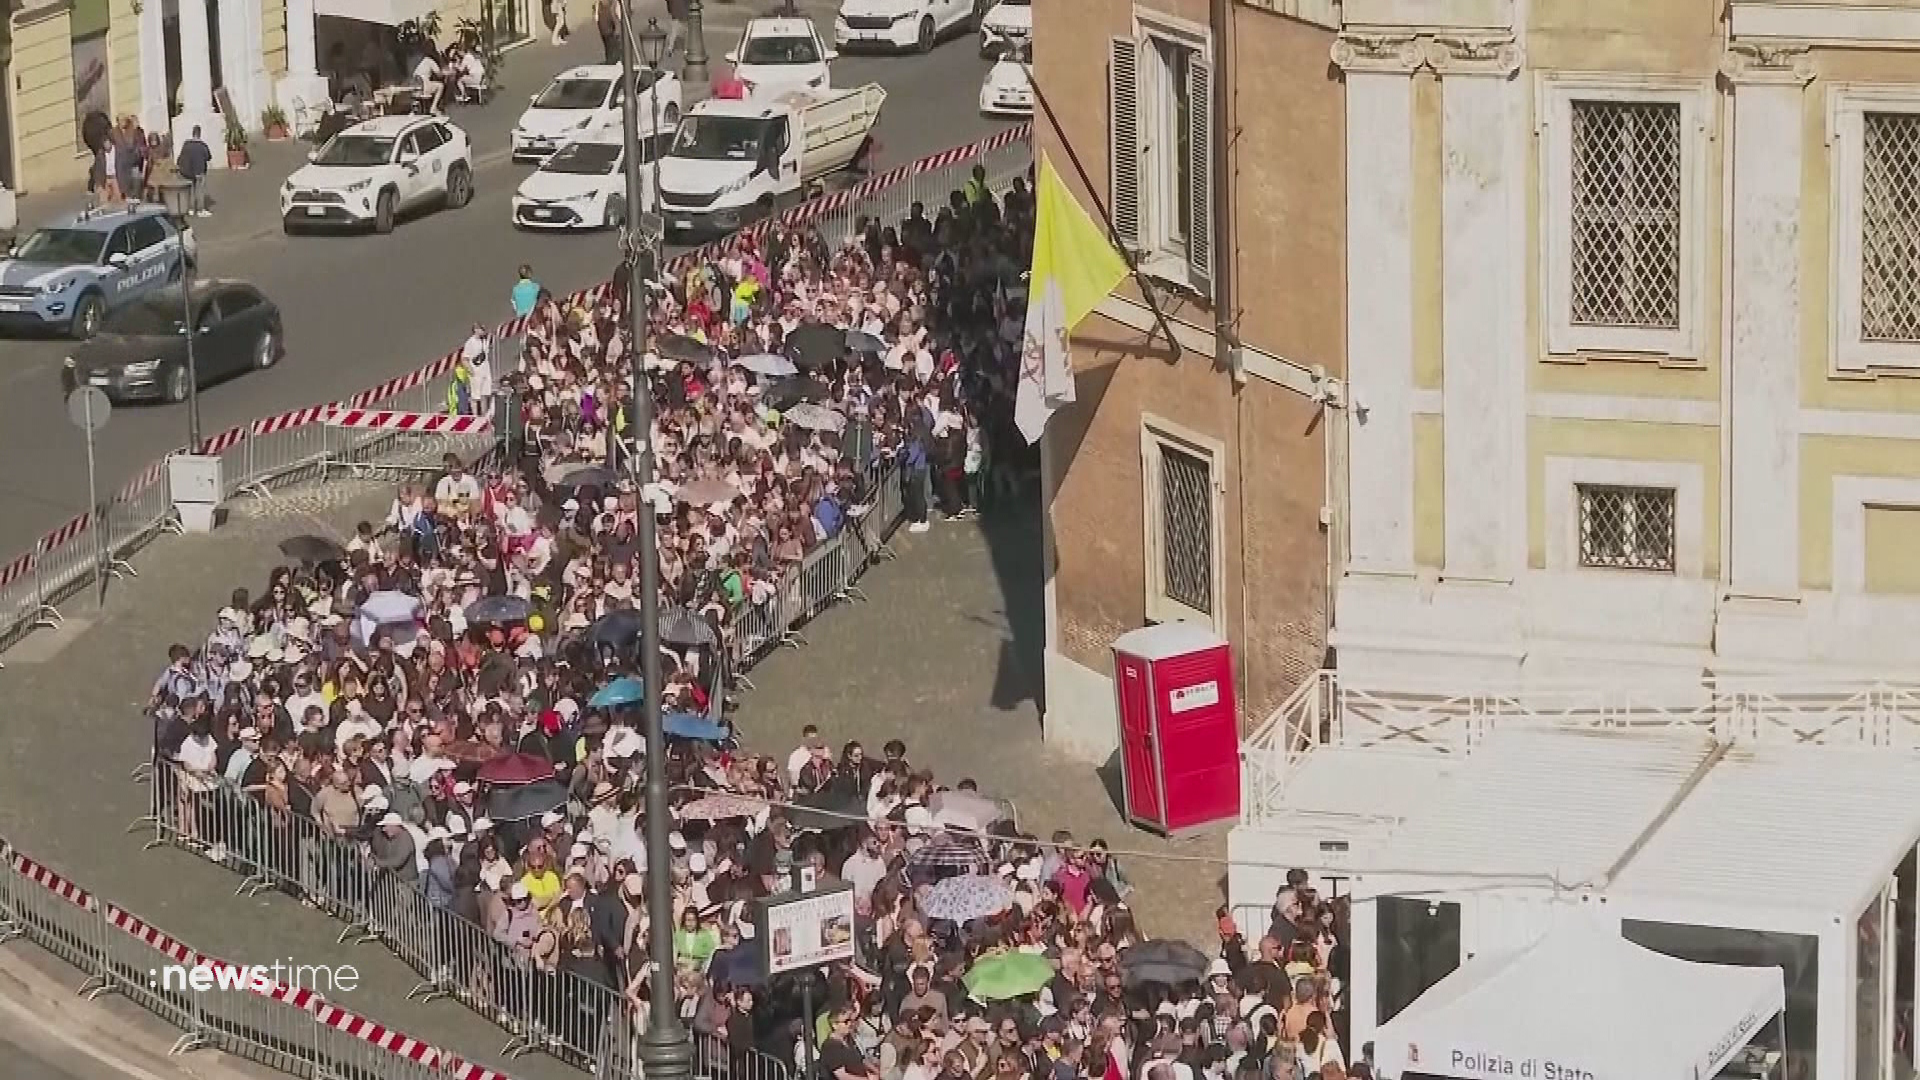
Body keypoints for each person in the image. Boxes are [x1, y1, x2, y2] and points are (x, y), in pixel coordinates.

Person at [176, 126, 214, 217]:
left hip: (188, 172)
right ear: (199, 133)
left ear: (192, 133)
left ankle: (191, 209)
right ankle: (201, 210)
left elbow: (181, 156)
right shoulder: (202, 146)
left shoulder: (186, 144)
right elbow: (208, 157)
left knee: (191, 191)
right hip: (200, 171)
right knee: (200, 191)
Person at [596, 0, 620, 65]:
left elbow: (616, 17)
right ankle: (610, 61)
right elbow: (597, 18)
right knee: (609, 48)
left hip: (611, 31)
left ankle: (613, 61)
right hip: (605, 30)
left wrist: (617, 29)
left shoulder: (613, 4)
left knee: (613, 48)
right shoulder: (600, 5)